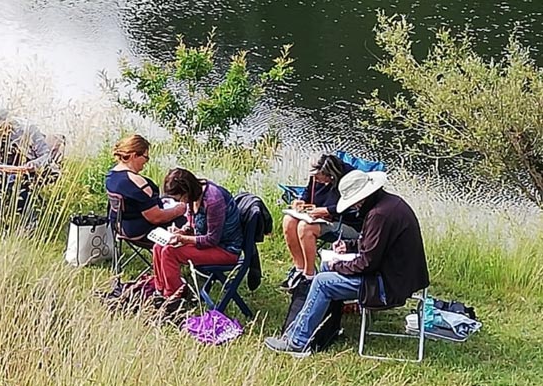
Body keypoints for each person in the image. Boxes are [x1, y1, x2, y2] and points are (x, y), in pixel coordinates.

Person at [264, 169, 430, 356]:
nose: (356, 207)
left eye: (355, 202)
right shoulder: (389, 204)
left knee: (322, 282)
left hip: (388, 286)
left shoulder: (379, 215)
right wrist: (349, 247)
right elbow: (375, 245)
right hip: (397, 276)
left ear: (363, 197)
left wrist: (339, 265)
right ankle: (330, 328)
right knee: (326, 267)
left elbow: (367, 263)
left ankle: (297, 342)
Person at [150, 169, 243, 304]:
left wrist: (183, 239)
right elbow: (193, 224)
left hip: (225, 249)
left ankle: (173, 298)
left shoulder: (213, 200)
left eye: (179, 198)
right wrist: (182, 231)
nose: (179, 201)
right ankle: (161, 291)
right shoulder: (193, 197)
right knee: (159, 246)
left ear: (187, 191)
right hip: (208, 242)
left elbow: (212, 239)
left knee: (170, 252)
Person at [280, 153, 362, 291]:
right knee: (289, 220)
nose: (315, 180)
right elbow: (308, 192)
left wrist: (327, 211)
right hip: (320, 218)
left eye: (318, 177)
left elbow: (352, 207)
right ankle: (299, 269)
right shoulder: (317, 176)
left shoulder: (350, 178)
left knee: (305, 227)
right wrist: (301, 201)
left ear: (330, 175)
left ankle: (309, 276)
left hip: (346, 223)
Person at [0, 107, 57, 221]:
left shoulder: (28, 129)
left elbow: (46, 156)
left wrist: (33, 164)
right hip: (3, 172)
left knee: (17, 186)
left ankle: (30, 224)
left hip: (28, 173)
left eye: (0, 128)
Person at [105, 134, 188, 239]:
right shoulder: (136, 182)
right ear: (134, 155)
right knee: (187, 222)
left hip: (119, 226)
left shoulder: (111, 176)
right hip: (138, 230)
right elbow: (156, 218)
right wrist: (179, 210)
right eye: (146, 157)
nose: (146, 162)